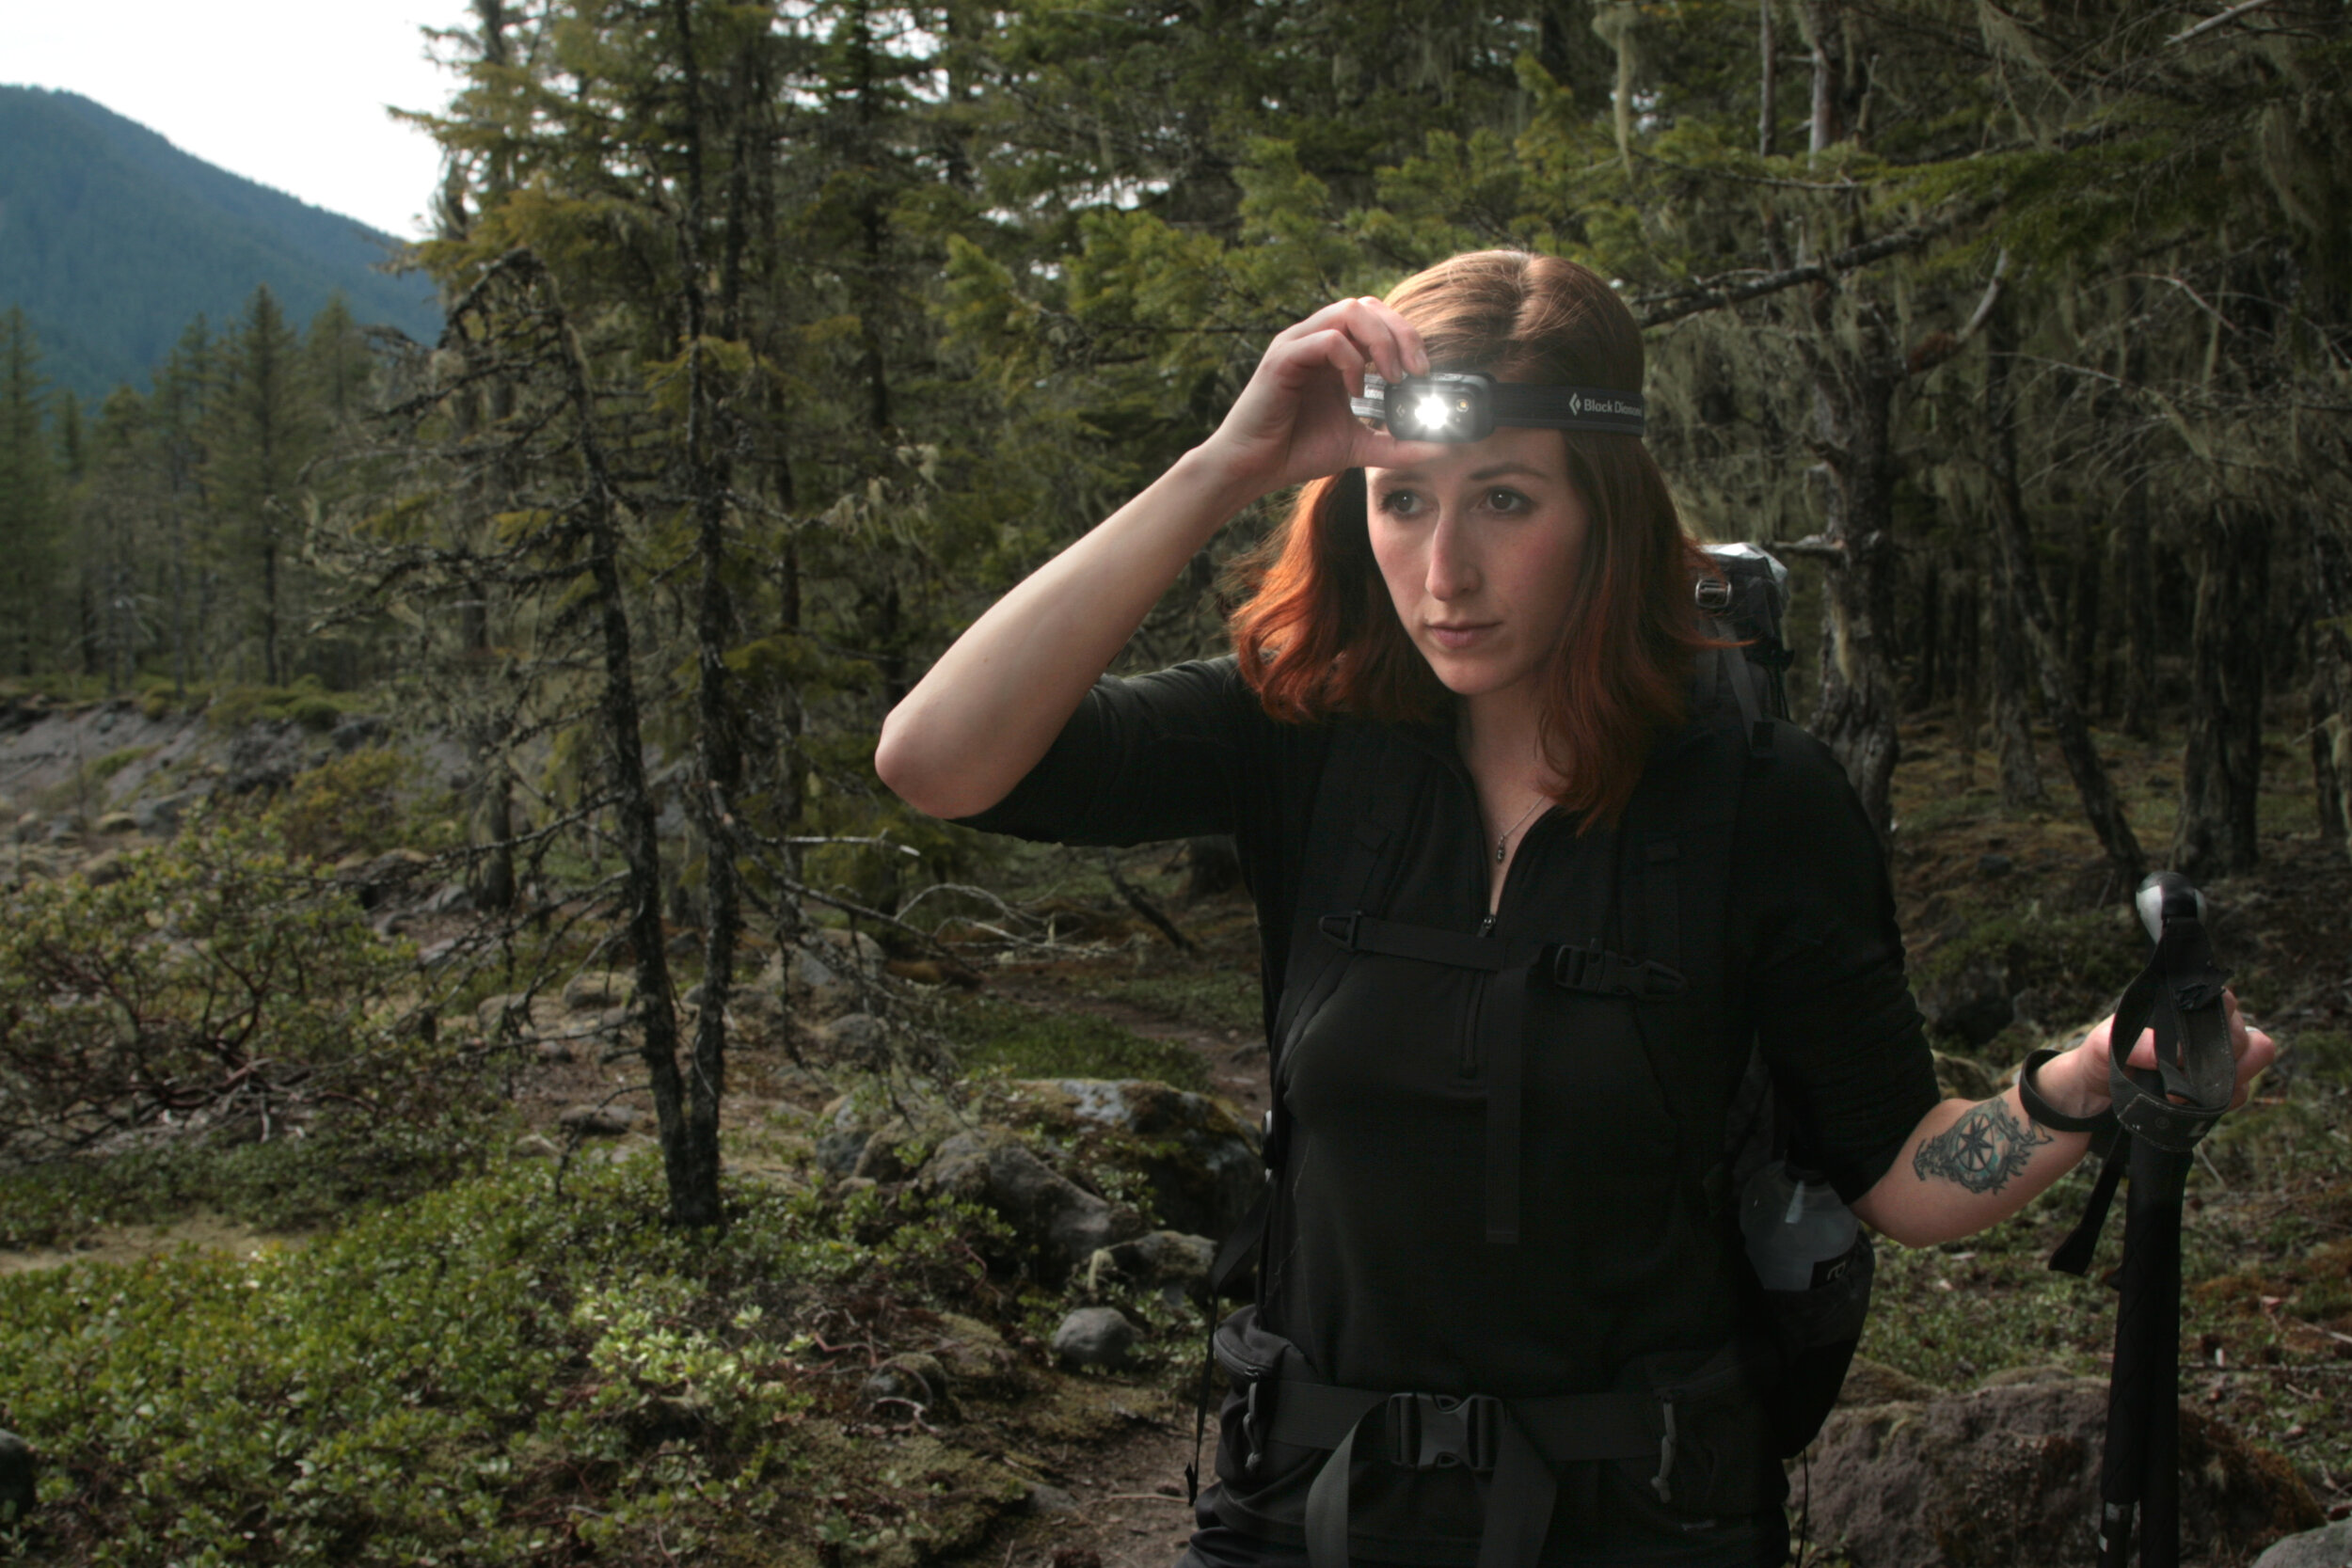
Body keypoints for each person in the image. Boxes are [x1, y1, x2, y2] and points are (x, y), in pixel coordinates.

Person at [875, 251, 2273, 1568]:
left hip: (1642, 1522)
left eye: (1505, 499)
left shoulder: (1755, 799)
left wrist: (2090, 1078)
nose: (1444, 572)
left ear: (1605, 506)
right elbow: (938, 761)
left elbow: (1899, 1168)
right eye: (1402, 497)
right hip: (1302, 1507)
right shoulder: (1305, 733)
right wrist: (1222, 465)